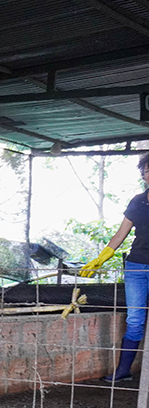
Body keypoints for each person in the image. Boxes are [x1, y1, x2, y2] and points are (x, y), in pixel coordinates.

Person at [79, 152, 149, 383]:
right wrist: (102, 257)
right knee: (135, 320)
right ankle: (123, 371)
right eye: (146, 171)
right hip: (137, 267)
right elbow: (121, 233)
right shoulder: (138, 201)